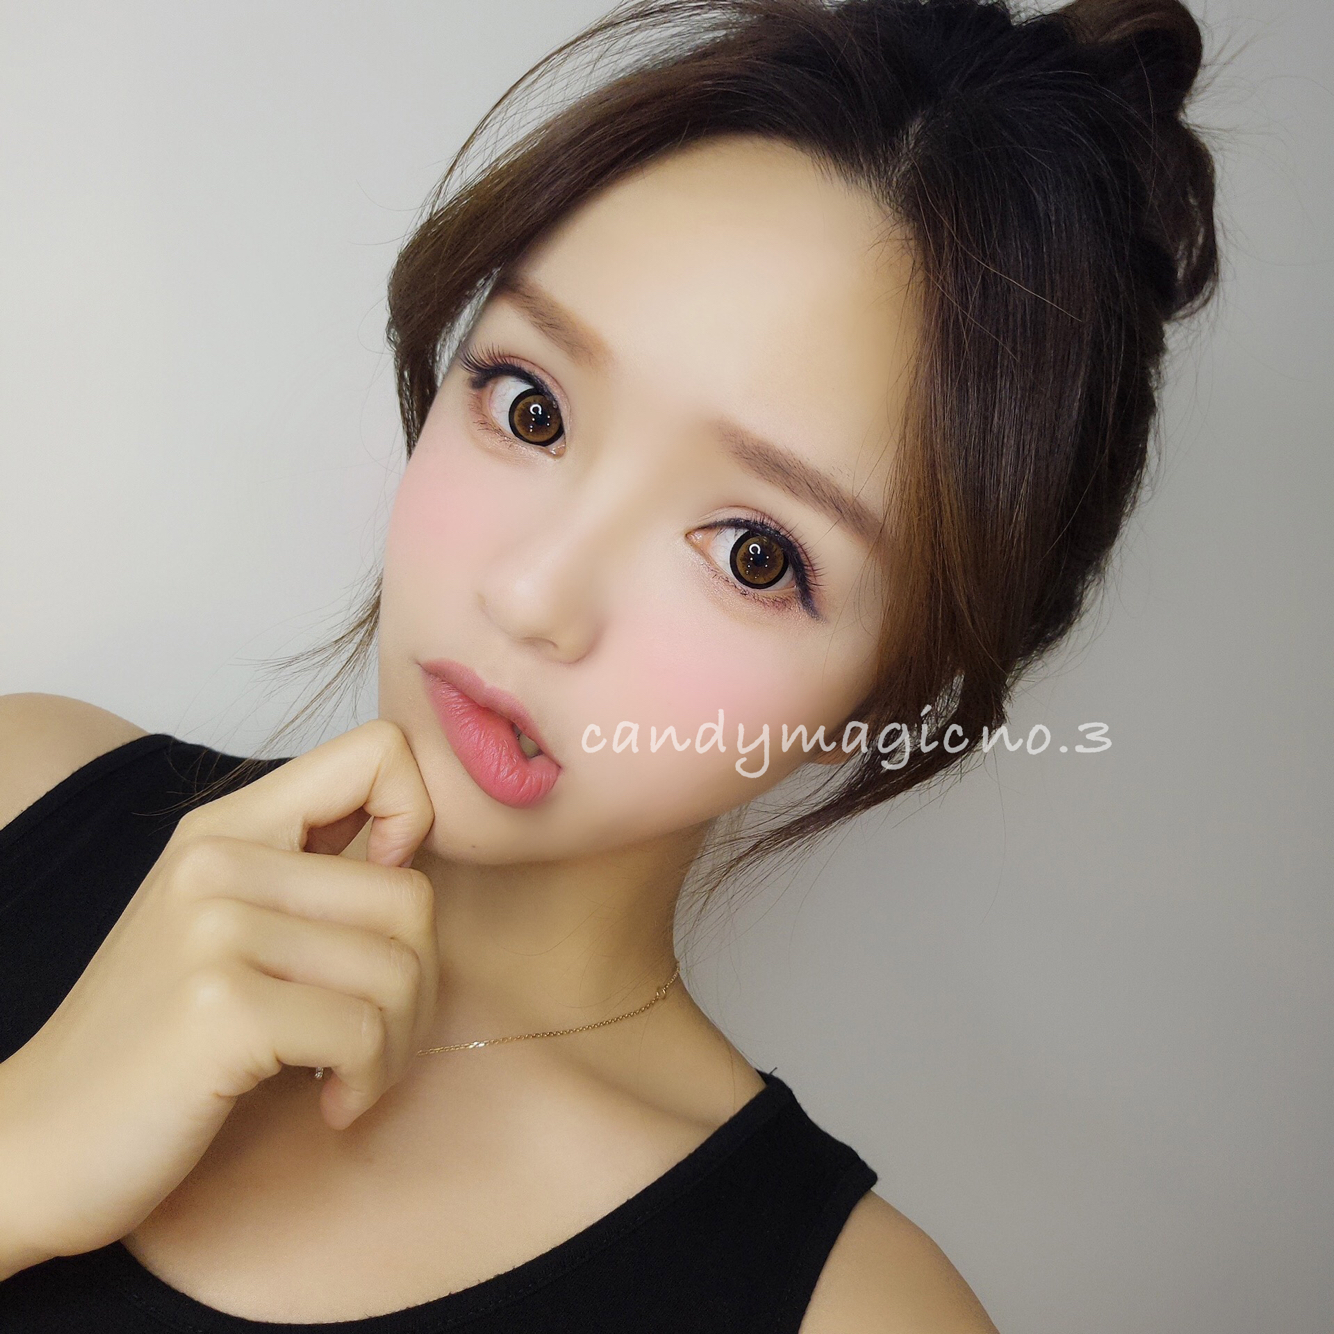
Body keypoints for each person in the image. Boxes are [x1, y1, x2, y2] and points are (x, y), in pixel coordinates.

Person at [0, 0, 1219, 1328]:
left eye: (754, 553)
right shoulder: (24, 787)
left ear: (885, 693)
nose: (534, 596)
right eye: (532, 407)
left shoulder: (856, 1312)